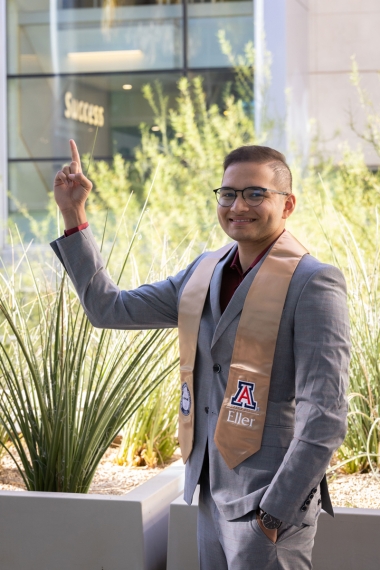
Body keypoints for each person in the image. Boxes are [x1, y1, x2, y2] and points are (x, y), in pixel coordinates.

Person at [51, 140, 350, 570]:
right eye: (228, 193)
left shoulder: (313, 283)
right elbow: (108, 309)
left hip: (269, 508)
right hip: (209, 493)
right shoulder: (203, 272)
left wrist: (273, 514)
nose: (237, 205)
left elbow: (325, 415)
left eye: (255, 193)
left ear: (287, 205)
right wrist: (73, 214)